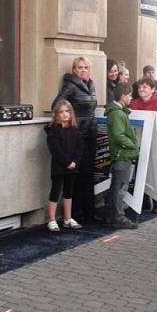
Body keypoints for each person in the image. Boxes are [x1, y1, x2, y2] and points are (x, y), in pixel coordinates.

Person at [52, 56, 97, 220]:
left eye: (85, 67)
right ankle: (77, 212)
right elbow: (57, 105)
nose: (83, 70)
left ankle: (89, 211)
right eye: (79, 67)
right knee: (78, 175)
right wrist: (72, 122)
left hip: (91, 134)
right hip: (79, 136)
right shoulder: (70, 86)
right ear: (73, 70)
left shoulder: (90, 85)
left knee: (88, 174)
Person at [130, 76, 157, 214]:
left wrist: (154, 140)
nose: (142, 89)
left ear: (152, 90)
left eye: (145, 87)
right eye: (140, 87)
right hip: (137, 144)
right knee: (140, 172)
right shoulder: (134, 104)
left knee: (154, 175)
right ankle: (145, 202)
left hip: (155, 146)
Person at [44, 99, 84, 232]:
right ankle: (52, 219)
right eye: (61, 112)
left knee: (68, 193)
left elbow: (80, 146)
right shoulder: (53, 131)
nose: (65, 114)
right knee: (55, 192)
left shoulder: (75, 130)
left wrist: (75, 162)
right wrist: (67, 162)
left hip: (73, 167)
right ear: (56, 114)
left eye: (67, 111)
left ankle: (68, 218)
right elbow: (55, 150)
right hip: (59, 167)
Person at [105, 83, 139, 229]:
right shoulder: (118, 114)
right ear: (123, 95)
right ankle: (118, 217)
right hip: (122, 155)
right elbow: (118, 136)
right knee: (120, 188)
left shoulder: (118, 112)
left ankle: (112, 215)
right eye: (130, 95)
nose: (131, 98)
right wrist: (133, 144)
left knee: (116, 186)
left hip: (121, 155)